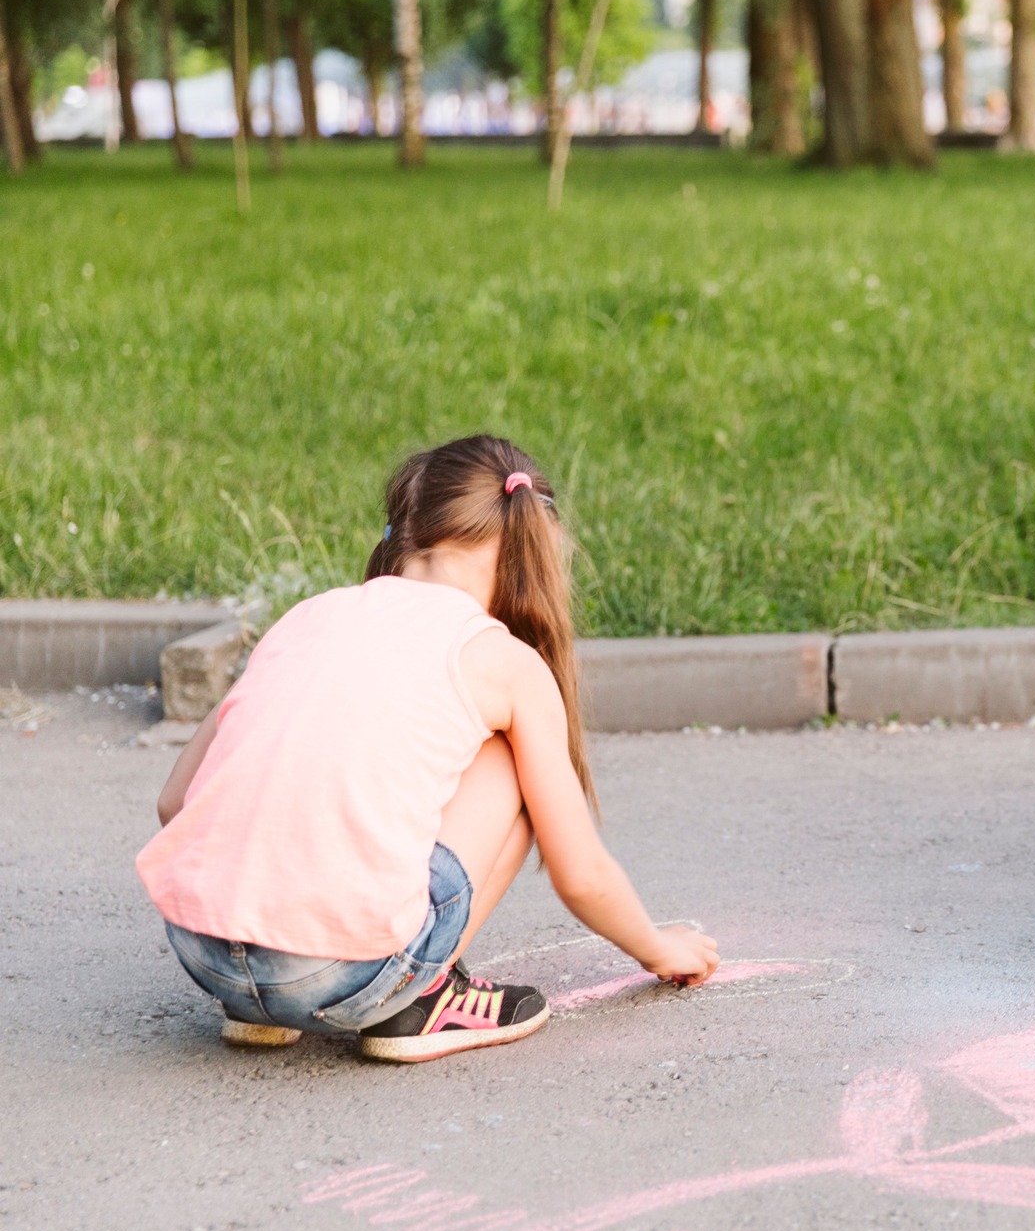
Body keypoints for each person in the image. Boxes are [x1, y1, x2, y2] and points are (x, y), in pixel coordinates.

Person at [138, 436, 719, 1061]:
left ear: (406, 530)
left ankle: (260, 1013)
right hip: (346, 975)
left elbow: (176, 801)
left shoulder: (306, 618)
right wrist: (662, 949)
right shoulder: (504, 663)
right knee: (513, 762)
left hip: (206, 952)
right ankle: (425, 999)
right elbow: (581, 874)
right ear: (529, 546)